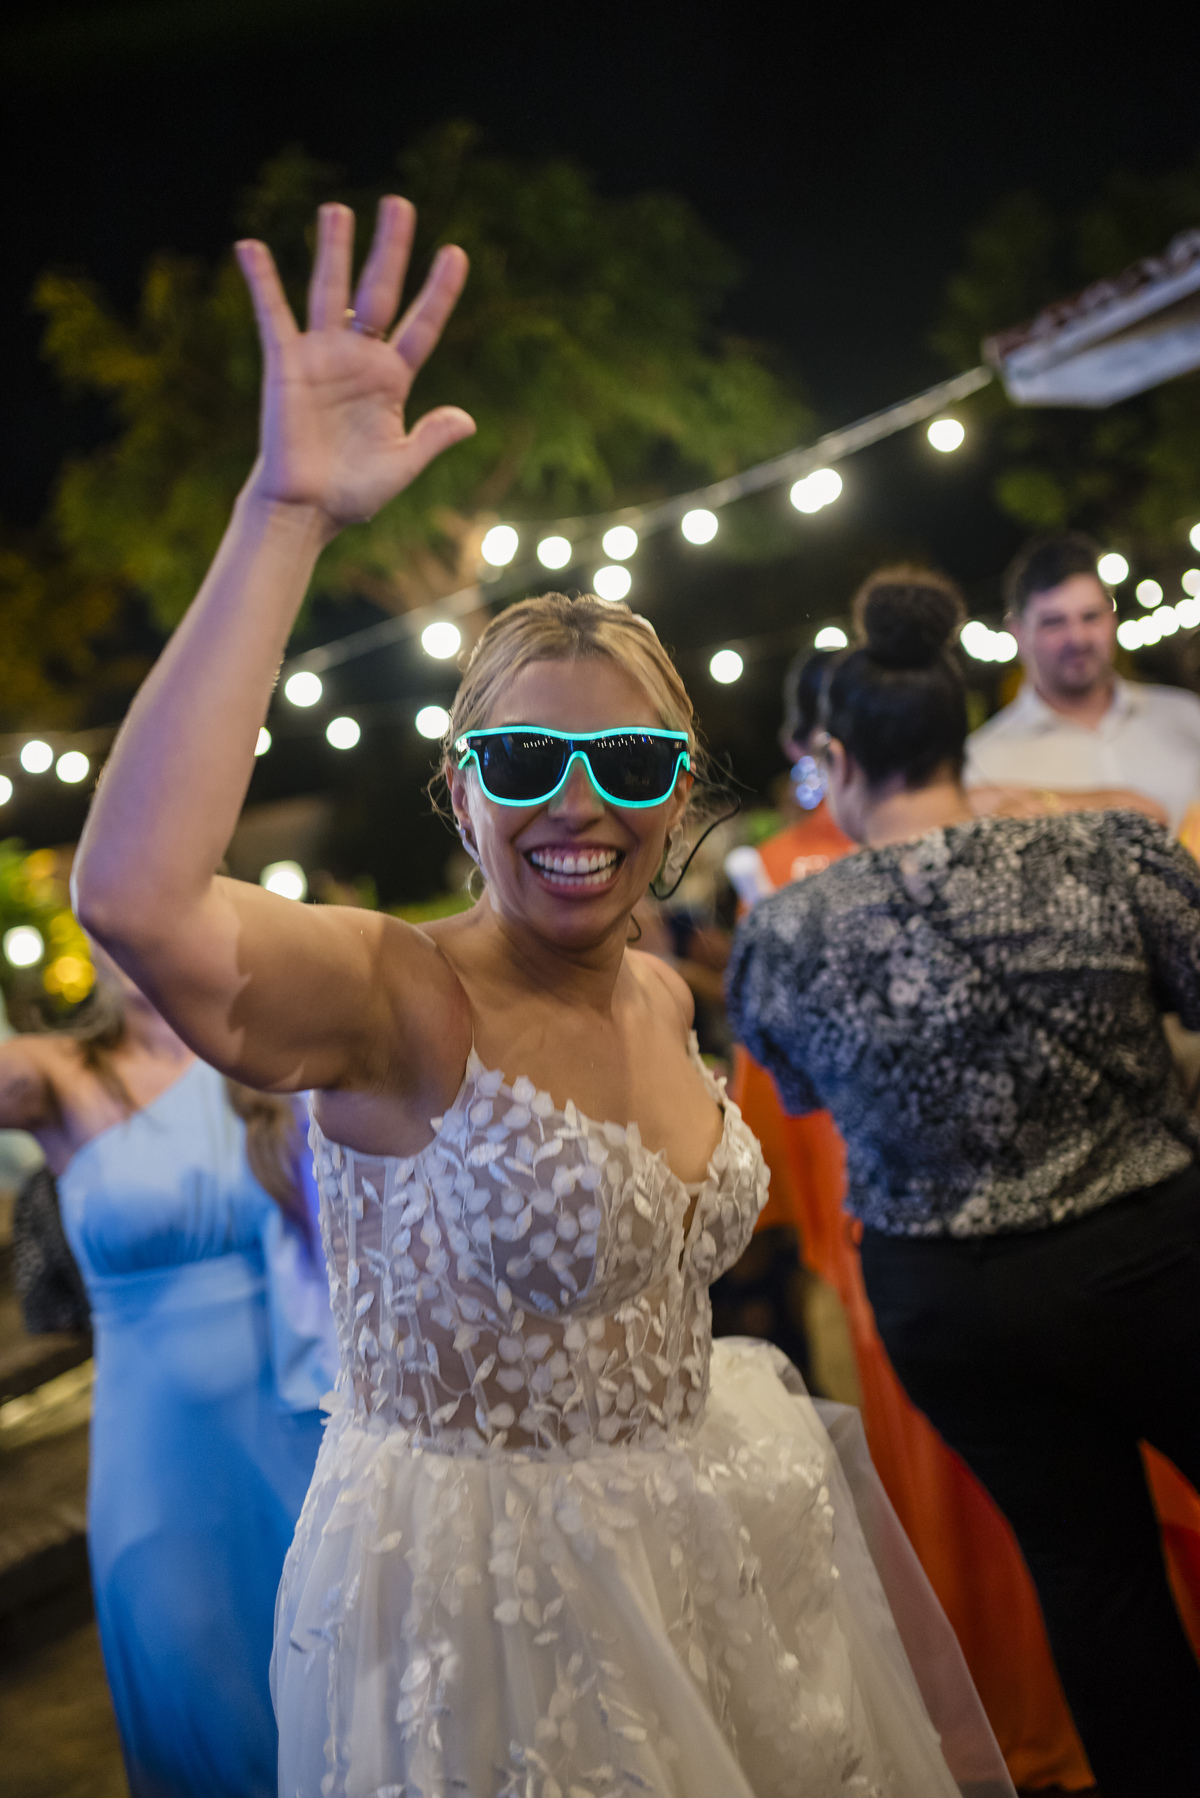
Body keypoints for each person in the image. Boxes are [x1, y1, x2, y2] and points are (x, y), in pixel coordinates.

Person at [70, 196, 1013, 1798]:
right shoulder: (397, 996)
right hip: (497, 1633)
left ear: (679, 790)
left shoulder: (658, 987)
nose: (576, 802)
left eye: (628, 761)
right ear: (459, 793)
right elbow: (138, 897)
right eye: (523, 759)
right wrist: (285, 512)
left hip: (726, 1556)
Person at [728, 566, 1200, 1798]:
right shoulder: (1106, 850)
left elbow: (793, 1091)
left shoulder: (787, 929)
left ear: (835, 751)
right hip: (1147, 1253)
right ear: (959, 727)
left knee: (1090, 1574)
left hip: (950, 1304)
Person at [0, 954, 336, 1797]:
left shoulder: (267, 1060)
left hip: (298, 1434)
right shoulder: (63, 1071)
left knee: (328, 1684)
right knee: (196, 1681)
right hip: (157, 1466)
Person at [965, 531, 1200, 828]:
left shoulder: (1187, 717)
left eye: (1090, 617)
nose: (1077, 638)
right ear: (1019, 633)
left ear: (1112, 619)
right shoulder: (982, 763)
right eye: (1054, 622)